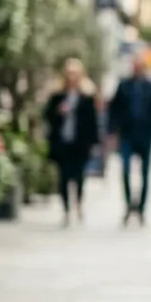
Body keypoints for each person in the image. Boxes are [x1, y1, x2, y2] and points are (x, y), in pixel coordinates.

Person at [107, 55, 151, 225]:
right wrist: (112, 130)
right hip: (127, 134)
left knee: (145, 173)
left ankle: (141, 208)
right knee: (125, 170)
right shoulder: (124, 86)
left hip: (146, 135)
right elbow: (114, 109)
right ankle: (128, 204)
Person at [44, 59, 100, 226]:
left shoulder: (86, 97)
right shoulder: (58, 96)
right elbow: (47, 116)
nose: (72, 78)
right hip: (63, 141)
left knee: (79, 175)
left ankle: (79, 204)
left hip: (80, 143)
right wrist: (58, 112)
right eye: (69, 74)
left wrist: (94, 143)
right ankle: (67, 209)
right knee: (63, 176)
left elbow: (92, 121)